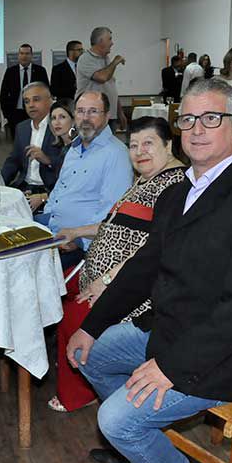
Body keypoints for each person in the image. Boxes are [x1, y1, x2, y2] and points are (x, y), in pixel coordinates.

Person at [67, 78, 232, 463]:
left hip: (223, 355)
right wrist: (91, 326)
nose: (197, 129)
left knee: (115, 420)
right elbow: (143, 269)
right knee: (89, 353)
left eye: (211, 118)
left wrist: (171, 368)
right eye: (188, 119)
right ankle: (138, 444)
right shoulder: (176, 193)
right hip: (167, 331)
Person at [47, 116, 186, 413]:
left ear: (168, 145)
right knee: (51, 289)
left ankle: (83, 392)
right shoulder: (146, 179)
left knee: (71, 317)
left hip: (131, 292)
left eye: (148, 143)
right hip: (98, 276)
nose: (140, 151)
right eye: (133, 145)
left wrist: (108, 280)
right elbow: (114, 224)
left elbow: (154, 251)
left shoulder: (175, 186)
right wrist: (77, 232)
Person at [38, 91, 133, 269]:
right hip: (52, 227)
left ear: (107, 116)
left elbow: (111, 215)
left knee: (23, 268)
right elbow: (59, 190)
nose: (85, 118)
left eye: (93, 111)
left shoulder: (116, 155)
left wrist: (79, 239)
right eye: (81, 111)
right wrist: (47, 217)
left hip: (79, 245)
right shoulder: (74, 148)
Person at [1, 82, 63, 197]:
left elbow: (70, 165)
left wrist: (48, 160)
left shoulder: (60, 126)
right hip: (24, 186)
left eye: (36, 99)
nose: (31, 105)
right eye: (26, 101)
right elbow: (13, 161)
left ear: (50, 101)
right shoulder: (22, 128)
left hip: (50, 190)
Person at [22, 99, 76, 211]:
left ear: (74, 120)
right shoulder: (60, 146)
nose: (57, 122)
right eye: (53, 118)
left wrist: (42, 198)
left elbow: (71, 189)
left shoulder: (76, 150)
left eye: (62, 117)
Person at [76, 27, 127, 132]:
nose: (112, 43)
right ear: (100, 41)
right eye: (110, 39)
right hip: (92, 116)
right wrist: (115, 62)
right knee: (93, 142)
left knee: (109, 143)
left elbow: (111, 87)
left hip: (109, 115)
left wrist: (120, 112)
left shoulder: (106, 59)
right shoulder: (85, 58)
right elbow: (102, 77)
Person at [0, 44, 50, 137]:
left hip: (35, 111)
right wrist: (7, 114)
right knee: (18, 140)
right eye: (22, 53)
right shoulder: (10, 71)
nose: (24, 56)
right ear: (18, 55)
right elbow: (3, 94)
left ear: (31, 55)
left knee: (36, 138)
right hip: (15, 113)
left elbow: (46, 91)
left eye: (27, 53)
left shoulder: (40, 71)